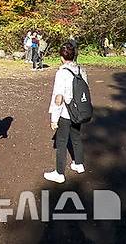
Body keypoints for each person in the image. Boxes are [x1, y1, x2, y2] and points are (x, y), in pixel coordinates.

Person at [44, 42, 88, 183]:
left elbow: (58, 97)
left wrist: (53, 118)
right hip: (79, 111)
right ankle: (79, 164)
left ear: (61, 57)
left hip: (65, 112)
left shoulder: (62, 72)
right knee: (76, 137)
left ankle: (59, 173)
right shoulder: (81, 69)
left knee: (61, 141)